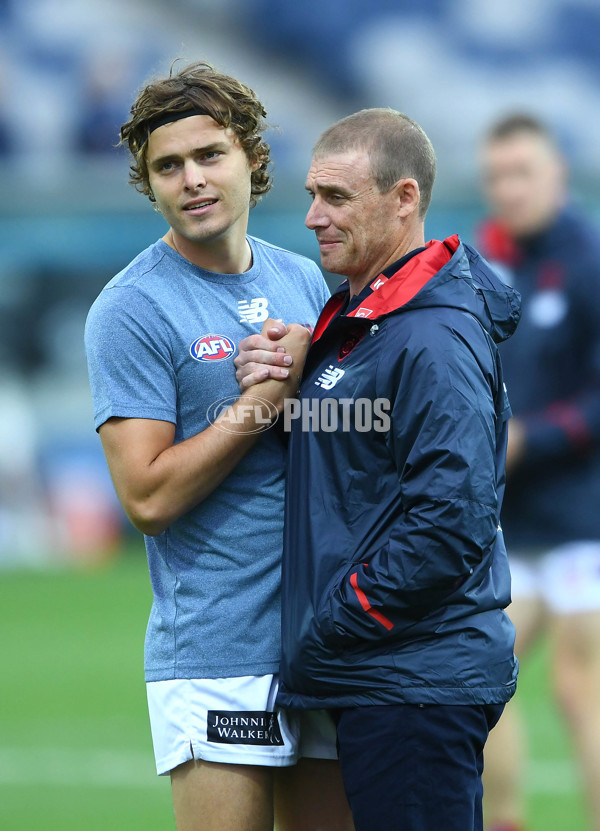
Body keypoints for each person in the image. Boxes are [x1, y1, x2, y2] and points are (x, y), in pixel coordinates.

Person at [84, 60, 353, 831]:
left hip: (328, 638)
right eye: (168, 166)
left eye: (209, 155)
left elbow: (343, 438)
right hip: (219, 651)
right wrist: (262, 402)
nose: (192, 179)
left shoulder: (308, 280)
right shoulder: (131, 308)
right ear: (149, 182)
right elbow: (148, 497)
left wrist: (315, 388)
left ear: (251, 160)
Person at [235, 107, 520, 831]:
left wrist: (339, 619)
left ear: (404, 199)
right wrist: (283, 375)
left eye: (336, 197)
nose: (310, 217)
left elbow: (450, 519)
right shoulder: (366, 318)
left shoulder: (432, 335)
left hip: (411, 682)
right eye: (311, 195)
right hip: (387, 677)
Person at [477, 113, 600, 831]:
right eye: (496, 175)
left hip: (585, 517)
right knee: (483, 675)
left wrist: (534, 435)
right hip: (510, 519)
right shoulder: (486, 263)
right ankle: (506, 819)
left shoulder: (587, 261)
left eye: (523, 172)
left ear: (558, 175)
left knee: (581, 689)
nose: (508, 188)